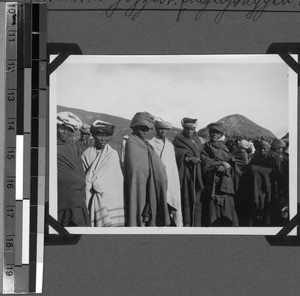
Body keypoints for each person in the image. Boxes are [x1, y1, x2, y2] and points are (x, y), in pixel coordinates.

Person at [123, 112, 170, 227]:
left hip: (149, 182)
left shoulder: (145, 143)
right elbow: (135, 169)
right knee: (138, 206)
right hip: (138, 184)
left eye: (147, 129)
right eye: (142, 129)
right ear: (135, 127)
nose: (145, 132)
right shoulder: (131, 142)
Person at [82, 120, 125, 227]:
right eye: (99, 135)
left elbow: (116, 179)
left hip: (111, 197)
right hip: (91, 195)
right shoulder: (86, 154)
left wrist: (98, 182)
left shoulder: (112, 155)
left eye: (106, 136)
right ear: (94, 135)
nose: (103, 139)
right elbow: (83, 176)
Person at [202, 122, 239, 227]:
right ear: (209, 133)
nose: (214, 134)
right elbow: (205, 163)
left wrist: (227, 166)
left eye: (217, 133)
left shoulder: (223, 147)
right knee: (213, 208)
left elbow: (231, 161)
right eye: (212, 132)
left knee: (227, 207)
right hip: (214, 182)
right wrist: (220, 163)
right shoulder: (205, 147)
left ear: (220, 135)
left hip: (226, 182)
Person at [56, 112, 90, 227]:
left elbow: (79, 168)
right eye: (63, 128)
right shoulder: (51, 146)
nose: (66, 132)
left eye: (70, 130)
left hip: (76, 195)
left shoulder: (73, 147)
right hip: (61, 193)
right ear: (56, 126)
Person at [148, 119, 183, 227]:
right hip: (157, 180)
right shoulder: (150, 144)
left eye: (165, 129)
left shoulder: (169, 145)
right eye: (160, 128)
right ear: (156, 129)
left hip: (171, 180)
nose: (163, 131)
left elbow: (171, 166)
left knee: (170, 204)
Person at [173, 118, 205, 226]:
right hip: (186, 172)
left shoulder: (197, 140)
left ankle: (196, 223)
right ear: (183, 128)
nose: (189, 132)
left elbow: (202, 153)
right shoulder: (178, 139)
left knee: (197, 197)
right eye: (187, 129)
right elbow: (175, 153)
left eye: (192, 129)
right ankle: (186, 222)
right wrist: (187, 158)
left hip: (198, 173)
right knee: (186, 195)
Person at [247, 140, 282, 226]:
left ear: (268, 149)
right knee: (255, 205)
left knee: (267, 206)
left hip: (268, 188)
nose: (262, 150)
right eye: (260, 148)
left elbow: (278, 175)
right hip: (256, 186)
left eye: (264, 148)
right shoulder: (254, 160)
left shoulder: (273, 161)